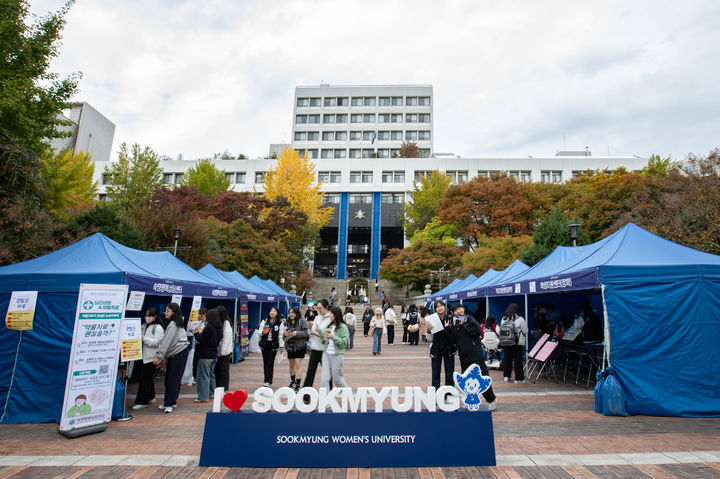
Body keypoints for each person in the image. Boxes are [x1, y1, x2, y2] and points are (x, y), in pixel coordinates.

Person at [446, 307, 498, 411]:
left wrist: (464, 324)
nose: (458, 312)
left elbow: (477, 331)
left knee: (482, 379)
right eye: (455, 311)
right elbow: (453, 340)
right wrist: (448, 328)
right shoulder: (456, 324)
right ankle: (470, 401)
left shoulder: (469, 319)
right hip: (464, 357)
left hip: (475, 355)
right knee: (467, 381)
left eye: (459, 309)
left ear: (463, 309)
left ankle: (491, 399)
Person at [154, 302, 190, 413]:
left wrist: (159, 356)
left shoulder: (173, 325)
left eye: (168, 311)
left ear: (174, 312)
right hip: (177, 353)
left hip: (178, 352)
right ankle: (170, 401)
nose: (165, 313)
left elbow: (166, 342)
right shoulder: (175, 323)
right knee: (172, 377)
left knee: (173, 378)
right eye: (165, 310)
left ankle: (169, 403)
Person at [132, 307, 165, 409]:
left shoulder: (158, 328)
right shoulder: (145, 326)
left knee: (144, 380)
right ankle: (151, 396)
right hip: (143, 356)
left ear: (155, 316)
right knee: (147, 378)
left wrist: (144, 338)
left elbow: (157, 342)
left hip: (151, 357)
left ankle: (141, 401)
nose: (147, 318)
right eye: (146, 315)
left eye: (149, 315)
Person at [192, 308, 222, 403]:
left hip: (205, 354)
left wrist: (196, 333)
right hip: (214, 354)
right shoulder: (219, 327)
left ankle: (203, 396)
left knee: (203, 376)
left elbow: (202, 339)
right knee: (211, 374)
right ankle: (212, 393)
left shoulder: (209, 327)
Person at [302, 299, 331, 395]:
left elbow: (329, 334)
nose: (319, 310)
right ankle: (305, 395)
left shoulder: (331, 318)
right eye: (317, 308)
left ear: (326, 307)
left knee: (327, 374)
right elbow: (313, 329)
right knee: (310, 372)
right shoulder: (317, 317)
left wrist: (319, 333)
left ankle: (329, 395)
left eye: (320, 308)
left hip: (325, 350)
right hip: (315, 348)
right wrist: (312, 330)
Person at [427, 300, 455, 388]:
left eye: (441, 306)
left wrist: (448, 328)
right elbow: (430, 336)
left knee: (449, 373)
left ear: (445, 307)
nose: (440, 308)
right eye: (437, 307)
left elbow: (454, 336)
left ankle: (449, 394)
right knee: (435, 373)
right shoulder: (432, 319)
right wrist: (429, 329)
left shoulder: (451, 319)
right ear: (435, 309)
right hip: (436, 349)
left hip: (449, 349)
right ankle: (435, 394)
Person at [320, 306, 350, 390]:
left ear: (335, 315)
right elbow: (324, 341)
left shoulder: (343, 327)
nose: (329, 315)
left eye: (331, 313)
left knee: (337, 379)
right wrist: (322, 335)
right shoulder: (330, 326)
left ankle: (347, 393)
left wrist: (332, 336)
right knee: (324, 379)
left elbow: (343, 343)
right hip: (326, 353)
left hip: (336, 354)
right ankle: (326, 400)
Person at [500, 303, 528, 383]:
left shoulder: (504, 319)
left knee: (507, 359)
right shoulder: (520, 319)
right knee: (517, 360)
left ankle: (506, 376)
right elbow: (525, 331)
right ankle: (518, 378)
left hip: (506, 341)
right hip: (517, 342)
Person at [283, 306, 309, 392]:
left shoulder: (302, 321)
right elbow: (284, 334)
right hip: (290, 346)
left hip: (300, 346)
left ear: (296, 313)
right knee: (291, 365)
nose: (291, 314)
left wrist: (296, 333)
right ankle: (292, 381)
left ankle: (298, 383)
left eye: (292, 313)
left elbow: (306, 333)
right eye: (290, 313)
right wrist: (286, 335)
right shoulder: (288, 322)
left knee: (298, 364)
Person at [259, 306, 284, 386]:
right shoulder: (265, 321)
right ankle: (266, 379)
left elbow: (280, 336)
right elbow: (259, 332)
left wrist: (281, 346)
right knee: (265, 362)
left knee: (270, 362)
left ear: (277, 313)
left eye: (274, 311)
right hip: (265, 344)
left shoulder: (279, 323)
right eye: (271, 311)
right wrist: (263, 332)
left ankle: (268, 380)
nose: (272, 313)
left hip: (273, 344)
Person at [214, 305, 234, 391]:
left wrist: (222, 351)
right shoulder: (220, 323)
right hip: (220, 350)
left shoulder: (226, 323)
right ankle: (218, 384)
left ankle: (224, 385)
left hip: (225, 351)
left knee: (224, 370)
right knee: (218, 369)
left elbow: (226, 338)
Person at [190, 307, 208, 386]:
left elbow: (204, 335)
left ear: (204, 314)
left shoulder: (207, 324)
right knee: (195, 362)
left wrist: (197, 332)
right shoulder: (200, 323)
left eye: (200, 314)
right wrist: (194, 332)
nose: (199, 316)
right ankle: (195, 377)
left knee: (200, 362)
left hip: (202, 345)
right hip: (197, 344)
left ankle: (198, 378)